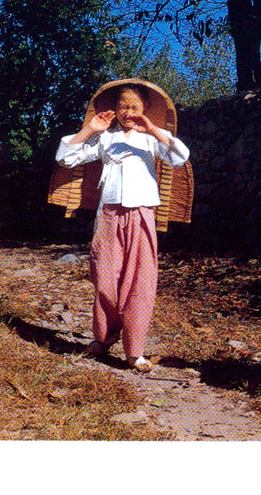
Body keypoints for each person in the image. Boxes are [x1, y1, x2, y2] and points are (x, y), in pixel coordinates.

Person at [55, 81, 190, 373]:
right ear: (114, 110)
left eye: (134, 107)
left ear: (144, 110)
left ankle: (134, 351)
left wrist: (152, 129)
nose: (128, 112)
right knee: (104, 276)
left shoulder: (152, 140)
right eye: (122, 107)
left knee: (139, 281)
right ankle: (104, 337)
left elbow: (180, 157)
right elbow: (65, 158)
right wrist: (89, 129)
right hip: (109, 214)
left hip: (142, 212)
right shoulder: (106, 139)